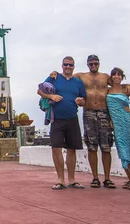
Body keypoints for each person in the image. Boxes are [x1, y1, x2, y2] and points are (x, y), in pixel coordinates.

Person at [51, 54, 115, 189]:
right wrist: (55, 72)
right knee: (92, 146)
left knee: (106, 147)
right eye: (91, 64)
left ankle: (108, 178)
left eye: (95, 63)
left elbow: (116, 83)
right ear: (87, 64)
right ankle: (95, 178)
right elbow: (65, 75)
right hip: (89, 112)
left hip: (104, 112)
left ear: (99, 64)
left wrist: (127, 89)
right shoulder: (81, 76)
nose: (93, 66)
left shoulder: (105, 77)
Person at [37, 56, 86, 190]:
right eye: (66, 65)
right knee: (56, 148)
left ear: (74, 67)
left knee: (71, 149)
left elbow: (84, 100)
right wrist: (51, 96)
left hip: (72, 118)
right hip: (56, 119)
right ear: (62, 65)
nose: (68, 67)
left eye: (70, 65)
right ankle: (60, 180)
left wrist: (81, 102)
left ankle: (72, 179)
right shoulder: (54, 77)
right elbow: (39, 90)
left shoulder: (78, 82)